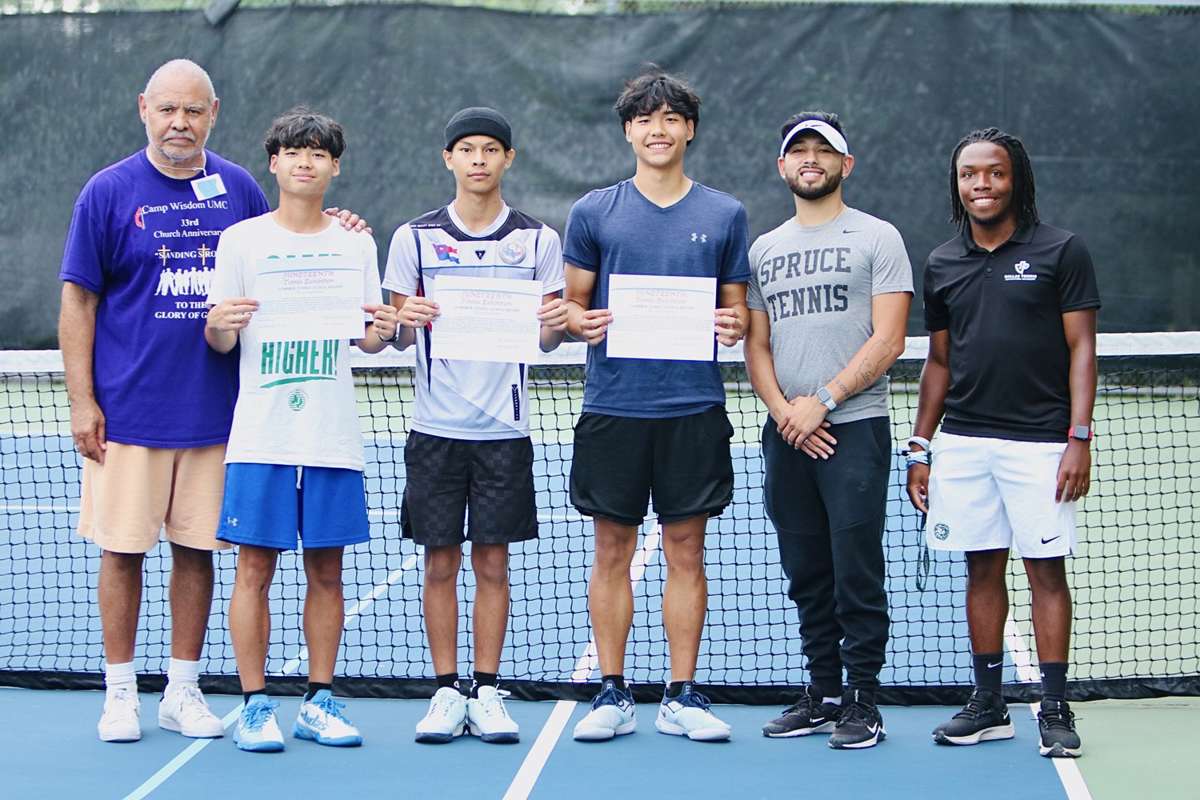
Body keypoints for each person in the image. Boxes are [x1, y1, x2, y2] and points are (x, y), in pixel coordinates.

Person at [59, 59, 367, 744]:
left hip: (221, 415)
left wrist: (338, 228)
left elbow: (291, 245)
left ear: (214, 113)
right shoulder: (107, 192)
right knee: (122, 552)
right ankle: (119, 694)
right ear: (144, 108)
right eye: (168, 109)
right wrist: (82, 401)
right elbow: (78, 300)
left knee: (197, 554)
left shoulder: (238, 190)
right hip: (129, 413)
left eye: (193, 111)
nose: (180, 123)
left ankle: (183, 689)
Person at [562, 69, 749, 743]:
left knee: (686, 552)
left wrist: (735, 324)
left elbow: (737, 310)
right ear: (628, 131)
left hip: (692, 408)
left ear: (689, 129)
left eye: (671, 118)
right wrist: (578, 321)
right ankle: (612, 691)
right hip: (614, 407)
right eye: (645, 118)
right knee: (611, 550)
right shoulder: (593, 212)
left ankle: (681, 694)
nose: (658, 129)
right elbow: (571, 306)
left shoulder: (725, 214)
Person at [205, 108, 397, 753]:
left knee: (327, 572)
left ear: (334, 166)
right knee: (253, 570)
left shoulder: (356, 243)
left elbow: (368, 338)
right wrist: (217, 324)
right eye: (292, 151)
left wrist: (385, 329)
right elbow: (220, 338)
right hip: (261, 434)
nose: (305, 162)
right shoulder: (241, 241)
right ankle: (255, 705)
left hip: (330, 433)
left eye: (318, 153)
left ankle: (318, 701)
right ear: (274, 163)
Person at [906, 127, 1099, 758]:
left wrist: (1078, 436)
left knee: (1046, 572)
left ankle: (1054, 707)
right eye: (969, 175)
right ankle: (988, 705)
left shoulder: (1062, 250)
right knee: (980, 569)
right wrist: (921, 446)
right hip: (963, 443)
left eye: (994, 172)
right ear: (956, 184)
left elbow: (1082, 348)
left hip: (1041, 445)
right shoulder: (942, 262)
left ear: (1016, 179)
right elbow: (939, 362)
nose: (981, 185)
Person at [382, 107, 568, 745]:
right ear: (449, 159)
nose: (479, 159)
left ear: (508, 158)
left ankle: (486, 690)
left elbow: (546, 340)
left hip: (503, 433)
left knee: (493, 563)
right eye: (467, 149)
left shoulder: (539, 241)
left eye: (491, 149)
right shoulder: (414, 238)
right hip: (435, 429)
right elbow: (397, 336)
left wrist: (556, 323)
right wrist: (405, 319)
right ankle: (445, 689)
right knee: (439, 563)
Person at [744, 112, 912, 749]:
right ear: (782, 166)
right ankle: (823, 693)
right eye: (799, 151)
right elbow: (756, 345)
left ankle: (863, 700)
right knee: (807, 573)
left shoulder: (878, 237)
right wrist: (786, 413)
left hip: (855, 431)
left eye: (823, 150)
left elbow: (889, 339)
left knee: (856, 573)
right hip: (788, 434)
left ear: (847, 164)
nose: (810, 159)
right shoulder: (763, 249)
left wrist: (824, 400)